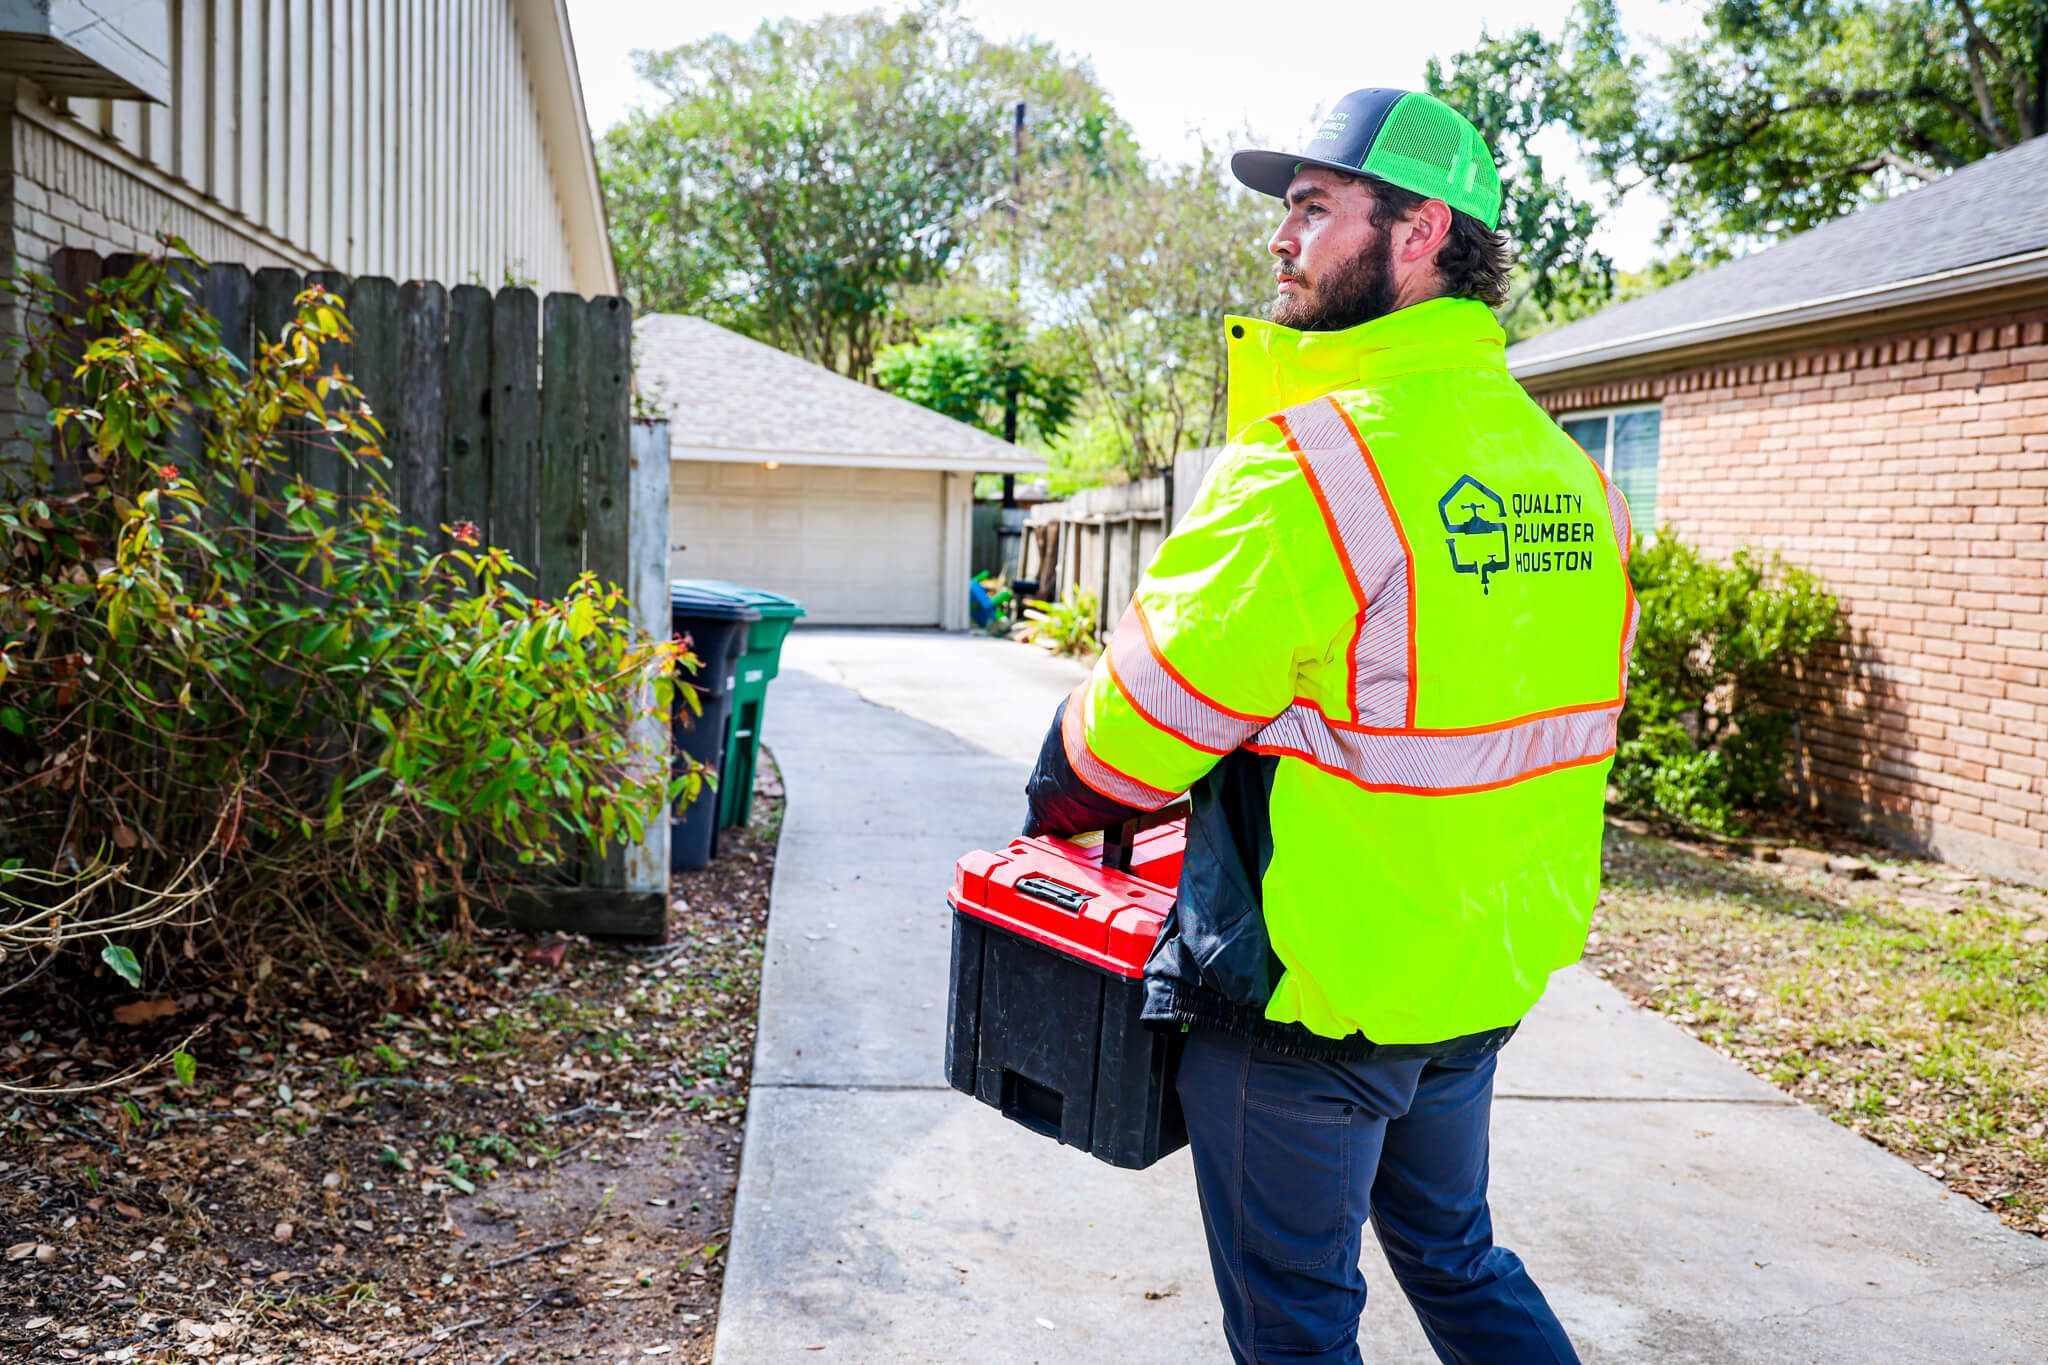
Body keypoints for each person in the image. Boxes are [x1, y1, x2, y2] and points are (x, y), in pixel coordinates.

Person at [1022, 87, 1636, 1365]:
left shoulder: (1309, 462)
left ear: (1418, 231)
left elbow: (1125, 745)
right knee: (1456, 1259)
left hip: (1312, 1004)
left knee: (1295, 1327)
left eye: (1311, 207)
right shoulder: (1576, 478)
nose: (1278, 236)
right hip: (1474, 979)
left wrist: (1054, 790)